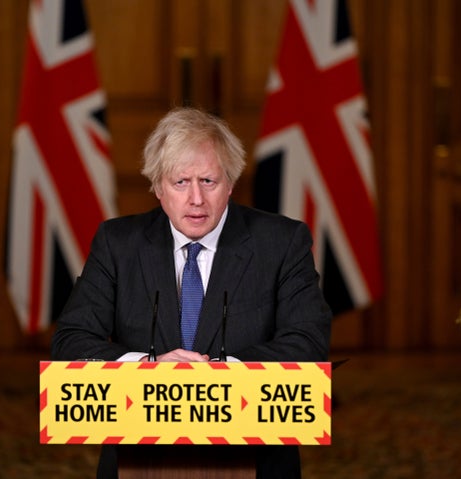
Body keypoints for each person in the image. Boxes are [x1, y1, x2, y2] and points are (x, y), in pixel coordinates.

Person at [51, 107, 332, 478]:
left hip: (255, 459)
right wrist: (148, 369)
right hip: (139, 457)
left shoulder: (281, 243)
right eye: (181, 182)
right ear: (157, 187)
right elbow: (72, 341)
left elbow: (308, 341)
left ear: (230, 183)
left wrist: (219, 374)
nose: (196, 198)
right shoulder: (118, 244)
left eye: (209, 181)